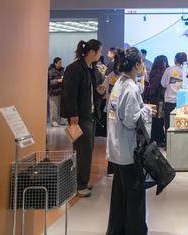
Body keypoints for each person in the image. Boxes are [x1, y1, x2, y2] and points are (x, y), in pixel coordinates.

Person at [106, 47, 155, 235]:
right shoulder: (130, 87)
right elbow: (130, 120)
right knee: (134, 195)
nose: (143, 65)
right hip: (129, 150)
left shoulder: (120, 83)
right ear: (136, 65)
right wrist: (146, 110)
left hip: (117, 148)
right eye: (141, 62)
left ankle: (117, 229)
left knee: (120, 195)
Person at [61, 39, 102, 198]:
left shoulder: (90, 69)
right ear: (92, 52)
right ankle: (79, 184)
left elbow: (91, 92)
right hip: (79, 117)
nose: (100, 54)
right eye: (99, 51)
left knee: (86, 150)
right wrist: (73, 116)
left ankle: (82, 181)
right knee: (82, 151)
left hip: (89, 115)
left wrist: (100, 91)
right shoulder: (74, 69)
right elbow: (69, 94)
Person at [144, 55, 169, 147]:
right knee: (159, 120)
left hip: (154, 100)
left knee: (156, 120)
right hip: (159, 100)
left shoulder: (153, 73)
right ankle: (158, 139)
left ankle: (156, 138)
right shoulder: (161, 74)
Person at [161, 52, 188, 134]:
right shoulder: (186, 71)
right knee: (180, 125)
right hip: (181, 102)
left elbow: (163, 84)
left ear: (175, 60)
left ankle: (168, 141)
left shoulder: (168, 70)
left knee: (169, 125)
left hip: (169, 101)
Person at [48, 57, 65, 127]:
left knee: (60, 107)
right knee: (54, 108)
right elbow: (49, 82)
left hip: (61, 91)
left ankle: (60, 120)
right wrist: (58, 81)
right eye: (59, 63)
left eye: (61, 63)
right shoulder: (51, 71)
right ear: (55, 63)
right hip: (53, 92)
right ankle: (53, 121)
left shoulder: (62, 70)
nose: (60, 64)